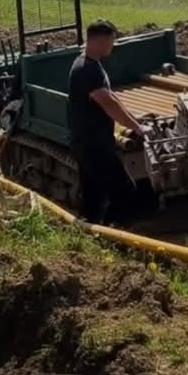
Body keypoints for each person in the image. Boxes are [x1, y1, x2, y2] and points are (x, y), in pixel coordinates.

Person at [66, 18, 144, 223]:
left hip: (87, 142)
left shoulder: (89, 64)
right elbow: (108, 103)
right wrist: (136, 128)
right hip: (94, 145)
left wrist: (134, 119)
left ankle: (91, 234)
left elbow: (112, 97)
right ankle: (116, 235)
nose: (112, 47)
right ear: (98, 41)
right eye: (110, 42)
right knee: (124, 191)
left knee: (94, 196)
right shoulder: (87, 70)